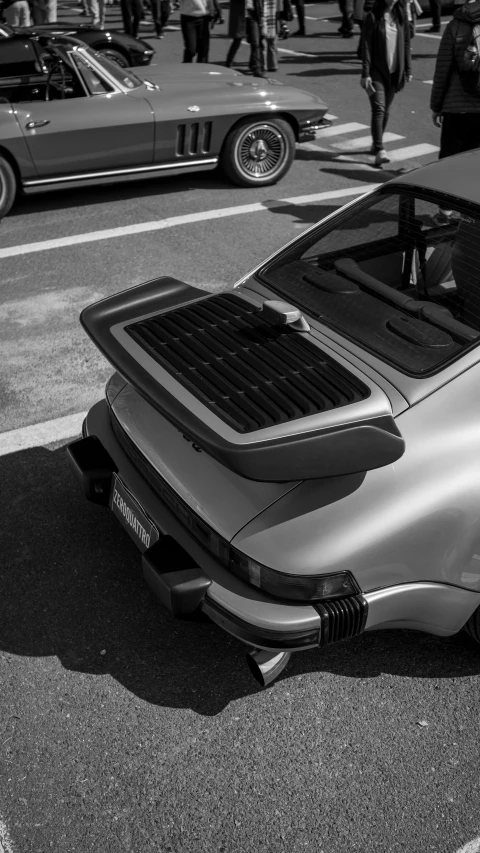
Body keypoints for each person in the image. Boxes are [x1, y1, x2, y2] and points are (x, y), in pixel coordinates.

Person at [360, 0, 412, 167]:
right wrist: (365, 73)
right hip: (377, 71)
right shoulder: (373, 17)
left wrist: (408, 69)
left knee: (386, 110)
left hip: (394, 72)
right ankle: (379, 149)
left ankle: (376, 141)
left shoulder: (400, 16)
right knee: (379, 109)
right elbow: (366, 46)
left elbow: (406, 43)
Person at [430, 0, 480, 166]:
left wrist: (437, 106)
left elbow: (443, 69)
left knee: (448, 165)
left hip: (456, 108)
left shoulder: (456, 24)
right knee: (474, 168)